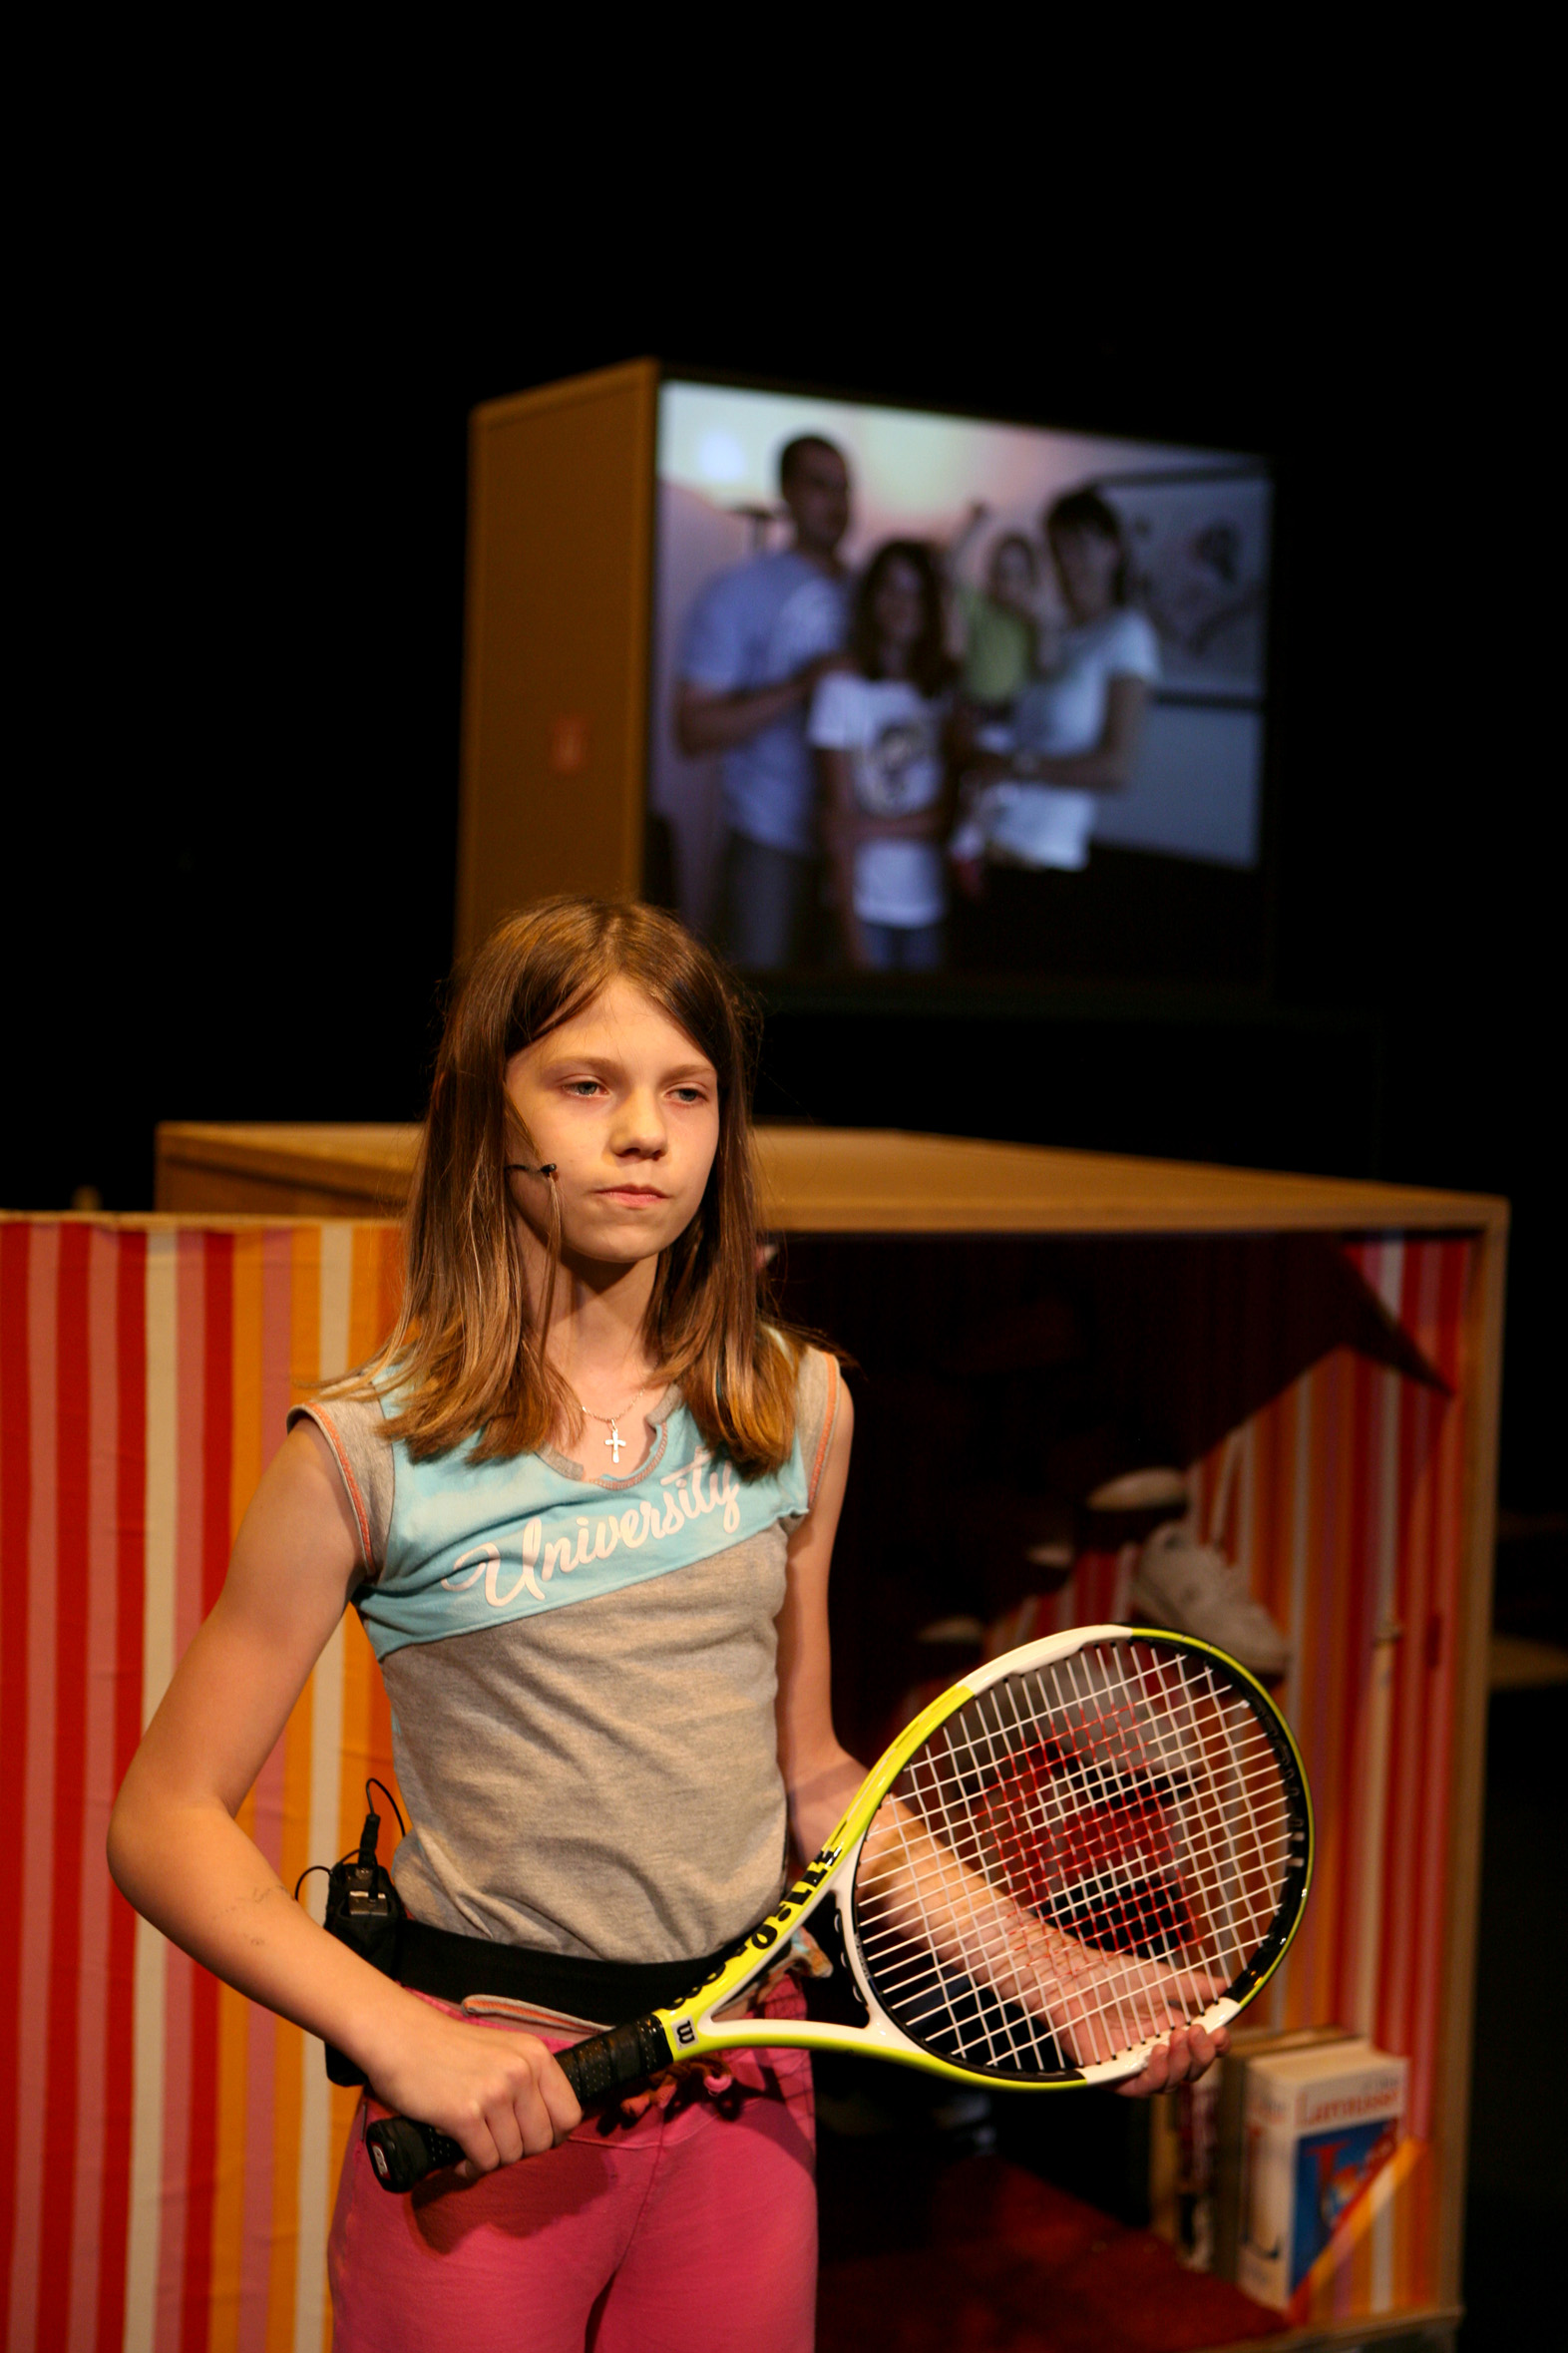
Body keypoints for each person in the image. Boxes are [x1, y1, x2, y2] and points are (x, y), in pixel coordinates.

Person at [107, 898, 1225, 2352]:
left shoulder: (794, 1404)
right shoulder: (365, 1451)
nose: (644, 1131)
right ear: (478, 1117)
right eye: (586, 1083)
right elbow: (163, 1815)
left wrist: (1058, 1969)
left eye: (685, 1091)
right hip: (489, 2116)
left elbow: (812, 1779)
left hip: (746, 2100)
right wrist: (402, 2037)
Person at [950, 488, 1160, 956]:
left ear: (1114, 550)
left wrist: (1014, 765)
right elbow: (1002, 709)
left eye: (1082, 545)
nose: (1070, 561)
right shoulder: (1049, 630)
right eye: (1059, 548)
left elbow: (1115, 768)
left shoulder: (1127, 635)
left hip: (1044, 865)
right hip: (986, 851)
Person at [674, 437, 853, 970]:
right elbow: (692, 730)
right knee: (756, 1014)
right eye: (819, 485)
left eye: (844, 488)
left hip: (856, 841)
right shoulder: (737, 591)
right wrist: (802, 686)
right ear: (788, 493)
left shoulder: (875, 590)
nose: (836, 502)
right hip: (768, 838)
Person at [810, 540, 957, 973]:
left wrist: (865, 827)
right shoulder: (840, 689)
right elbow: (838, 827)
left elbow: (946, 817)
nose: (902, 604)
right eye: (890, 589)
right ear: (870, 599)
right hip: (863, 905)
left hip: (930, 905)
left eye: (914, 592)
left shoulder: (946, 692)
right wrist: (854, 940)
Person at [944, 502, 1052, 708]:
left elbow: (1045, 665)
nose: (1009, 583)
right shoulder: (982, 607)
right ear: (990, 577)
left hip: (1014, 709)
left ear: (1032, 580)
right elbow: (952, 569)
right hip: (973, 703)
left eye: (1019, 575)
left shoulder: (1032, 621)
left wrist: (1040, 627)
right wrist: (972, 525)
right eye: (1002, 573)